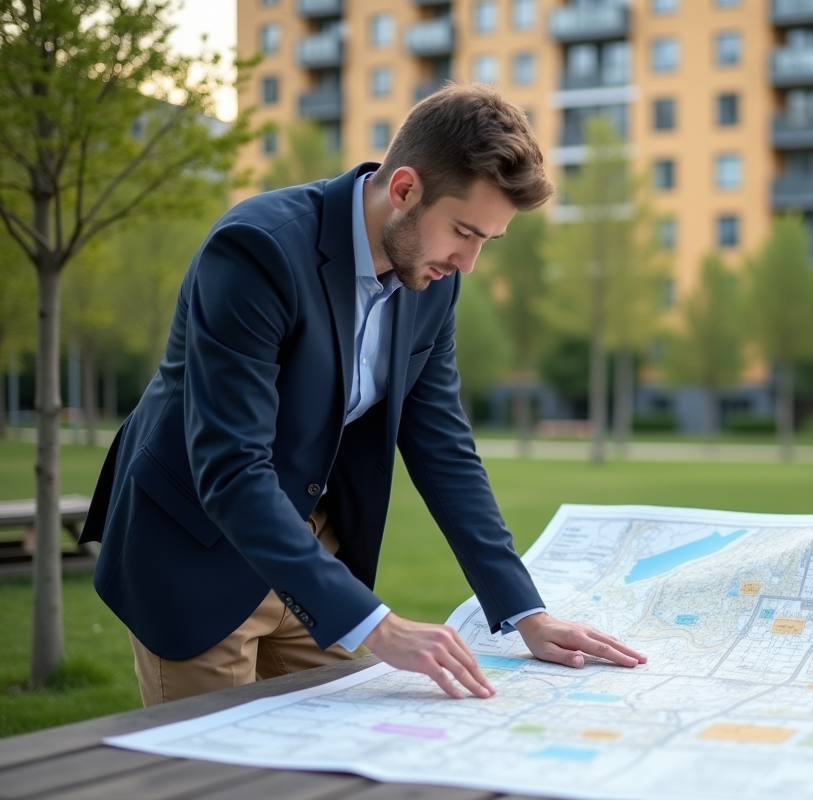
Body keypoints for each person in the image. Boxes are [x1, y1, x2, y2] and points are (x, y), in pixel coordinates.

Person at [81, 85, 644, 707]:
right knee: (205, 758)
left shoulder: (433, 281)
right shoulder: (257, 250)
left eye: (487, 239)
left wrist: (525, 613)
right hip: (197, 549)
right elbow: (231, 467)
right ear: (404, 189)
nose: (469, 262)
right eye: (463, 231)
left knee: (336, 747)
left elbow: (444, 448)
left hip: (310, 554)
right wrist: (380, 626)